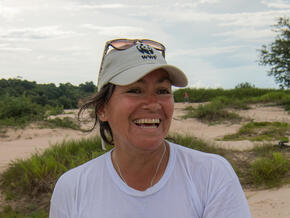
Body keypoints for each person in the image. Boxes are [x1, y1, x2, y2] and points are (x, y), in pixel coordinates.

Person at [49, 39, 251, 218]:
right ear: (102, 109)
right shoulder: (73, 187)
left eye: (162, 91)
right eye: (135, 90)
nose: (153, 104)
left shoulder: (211, 175)